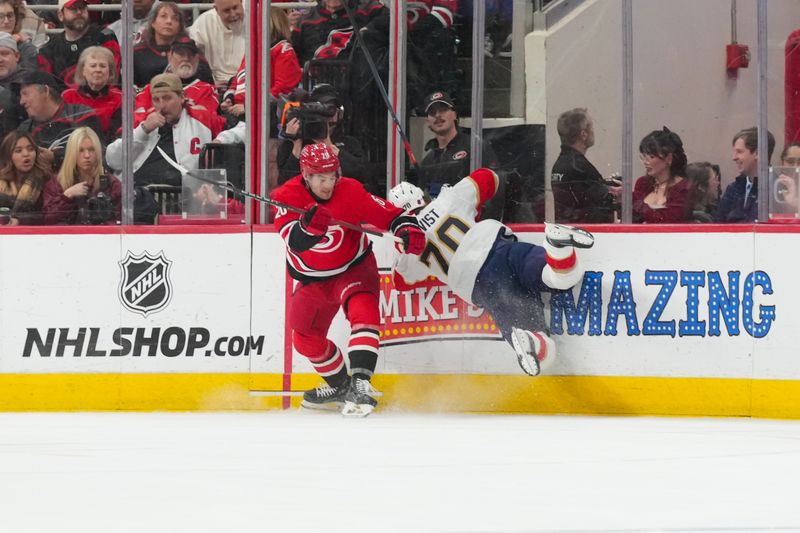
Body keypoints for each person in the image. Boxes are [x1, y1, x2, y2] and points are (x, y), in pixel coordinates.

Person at [388, 169, 595, 377]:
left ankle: (531, 338)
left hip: (484, 284)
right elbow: (488, 178)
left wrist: (400, 247)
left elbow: (400, 283)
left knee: (543, 354)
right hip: (503, 249)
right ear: (421, 196)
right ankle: (558, 247)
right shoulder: (448, 198)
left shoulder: (408, 250)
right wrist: (471, 208)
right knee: (558, 277)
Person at [270, 142, 426, 417]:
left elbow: (392, 215)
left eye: (332, 177)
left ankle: (361, 383)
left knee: (363, 314)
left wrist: (408, 230)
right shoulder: (287, 196)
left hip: (354, 268)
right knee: (305, 338)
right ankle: (342, 387)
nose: (328, 184)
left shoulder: (351, 191)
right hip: (312, 280)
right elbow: (295, 242)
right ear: (306, 175)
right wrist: (308, 227)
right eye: (321, 178)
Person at [106, 73, 223, 188]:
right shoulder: (141, 121)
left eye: (167, 98)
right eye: (156, 100)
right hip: (138, 194)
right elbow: (113, 160)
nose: (162, 105)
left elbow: (240, 129)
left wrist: (221, 139)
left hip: (182, 195)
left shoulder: (201, 118)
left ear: (182, 97)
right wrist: (143, 130)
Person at [277, 84, 374, 191]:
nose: (325, 117)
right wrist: (297, 144)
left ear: (339, 114)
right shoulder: (291, 145)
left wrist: (329, 146)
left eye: (330, 111)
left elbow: (365, 175)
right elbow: (286, 184)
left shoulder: (350, 143)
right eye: (319, 112)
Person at [416, 90, 498, 198]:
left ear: (454, 114)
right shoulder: (428, 162)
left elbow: (494, 187)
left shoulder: (475, 147)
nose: (438, 115)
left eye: (443, 109)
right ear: (428, 121)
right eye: (432, 112)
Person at [17, 70, 103, 168]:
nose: (21, 102)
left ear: (46, 91)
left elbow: (98, 155)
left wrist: (56, 158)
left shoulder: (81, 115)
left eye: (25, 94)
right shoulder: (23, 130)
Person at [551, 108, 621, 223]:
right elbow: (601, 203)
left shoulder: (561, 164)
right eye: (592, 127)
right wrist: (617, 195)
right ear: (583, 134)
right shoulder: (579, 167)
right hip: (587, 234)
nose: (594, 131)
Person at [134, 36, 220, 127]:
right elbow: (135, 121)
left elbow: (209, 122)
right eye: (181, 54)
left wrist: (157, 112)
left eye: (190, 55)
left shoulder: (207, 90)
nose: (186, 59)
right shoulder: (151, 88)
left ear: (197, 59)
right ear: (169, 56)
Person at [43, 126, 120, 225]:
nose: (87, 155)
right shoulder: (55, 183)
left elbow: (121, 221)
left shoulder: (112, 184)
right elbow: (48, 221)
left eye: (91, 150)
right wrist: (67, 196)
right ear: (72, 153)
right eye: (81, 150)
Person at [37, 0, 120, 88]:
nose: (79, 12)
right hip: (64, 100)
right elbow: (47, 87)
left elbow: (112, 75)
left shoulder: (105, 35)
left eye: (82, 8)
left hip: (103, 97)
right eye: (73, 9)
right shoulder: (49, 49)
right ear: (60, 15)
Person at [133, 2, 214, 89]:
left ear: (180, 25)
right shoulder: (138, 52)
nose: (169, 21)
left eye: (175, 18)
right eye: (163, 16)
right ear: (153, 22)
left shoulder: (191, 51)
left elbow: (207, 84)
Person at [632, 127, 694, 224]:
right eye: (643, 157)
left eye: (651, 157)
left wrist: (633, 200)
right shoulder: (642, 183)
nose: (645, 162)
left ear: (669, 158)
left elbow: (668, 221)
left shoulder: (684, 188)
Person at [716, 127, 776, 223]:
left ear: (758, 153)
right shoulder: (732, 189)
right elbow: (718, 226)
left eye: (739, 152)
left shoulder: (777, 190)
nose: (734, 157)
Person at [61, 46, 121, 141]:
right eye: (93, 66)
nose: (98, 70)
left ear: (110, 72)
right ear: (83, 71)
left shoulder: (120, 98)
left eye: (103, 66)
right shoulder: (68, 96)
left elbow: (117, 133)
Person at [188, 0, 245, 87]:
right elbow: (190, 54)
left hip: (248, 84)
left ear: (242, 3)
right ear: (216, 10)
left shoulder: (256, 17)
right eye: (226, 10)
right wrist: (210, 82)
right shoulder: (205, 21)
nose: (233, 14)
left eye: (235, 8)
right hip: (215, 84)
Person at [0, 130, 50, 225]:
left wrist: (20, 221)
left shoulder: (46, 180)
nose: (26, 154)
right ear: (8, 156)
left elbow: (48, 216)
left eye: (30, 149)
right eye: (18, 151)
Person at [0, 0, 37, 71]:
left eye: (10, 16)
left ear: (16, 18)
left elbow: (28, 75)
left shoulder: (25, 48)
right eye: (0, 16)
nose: (6, 21)